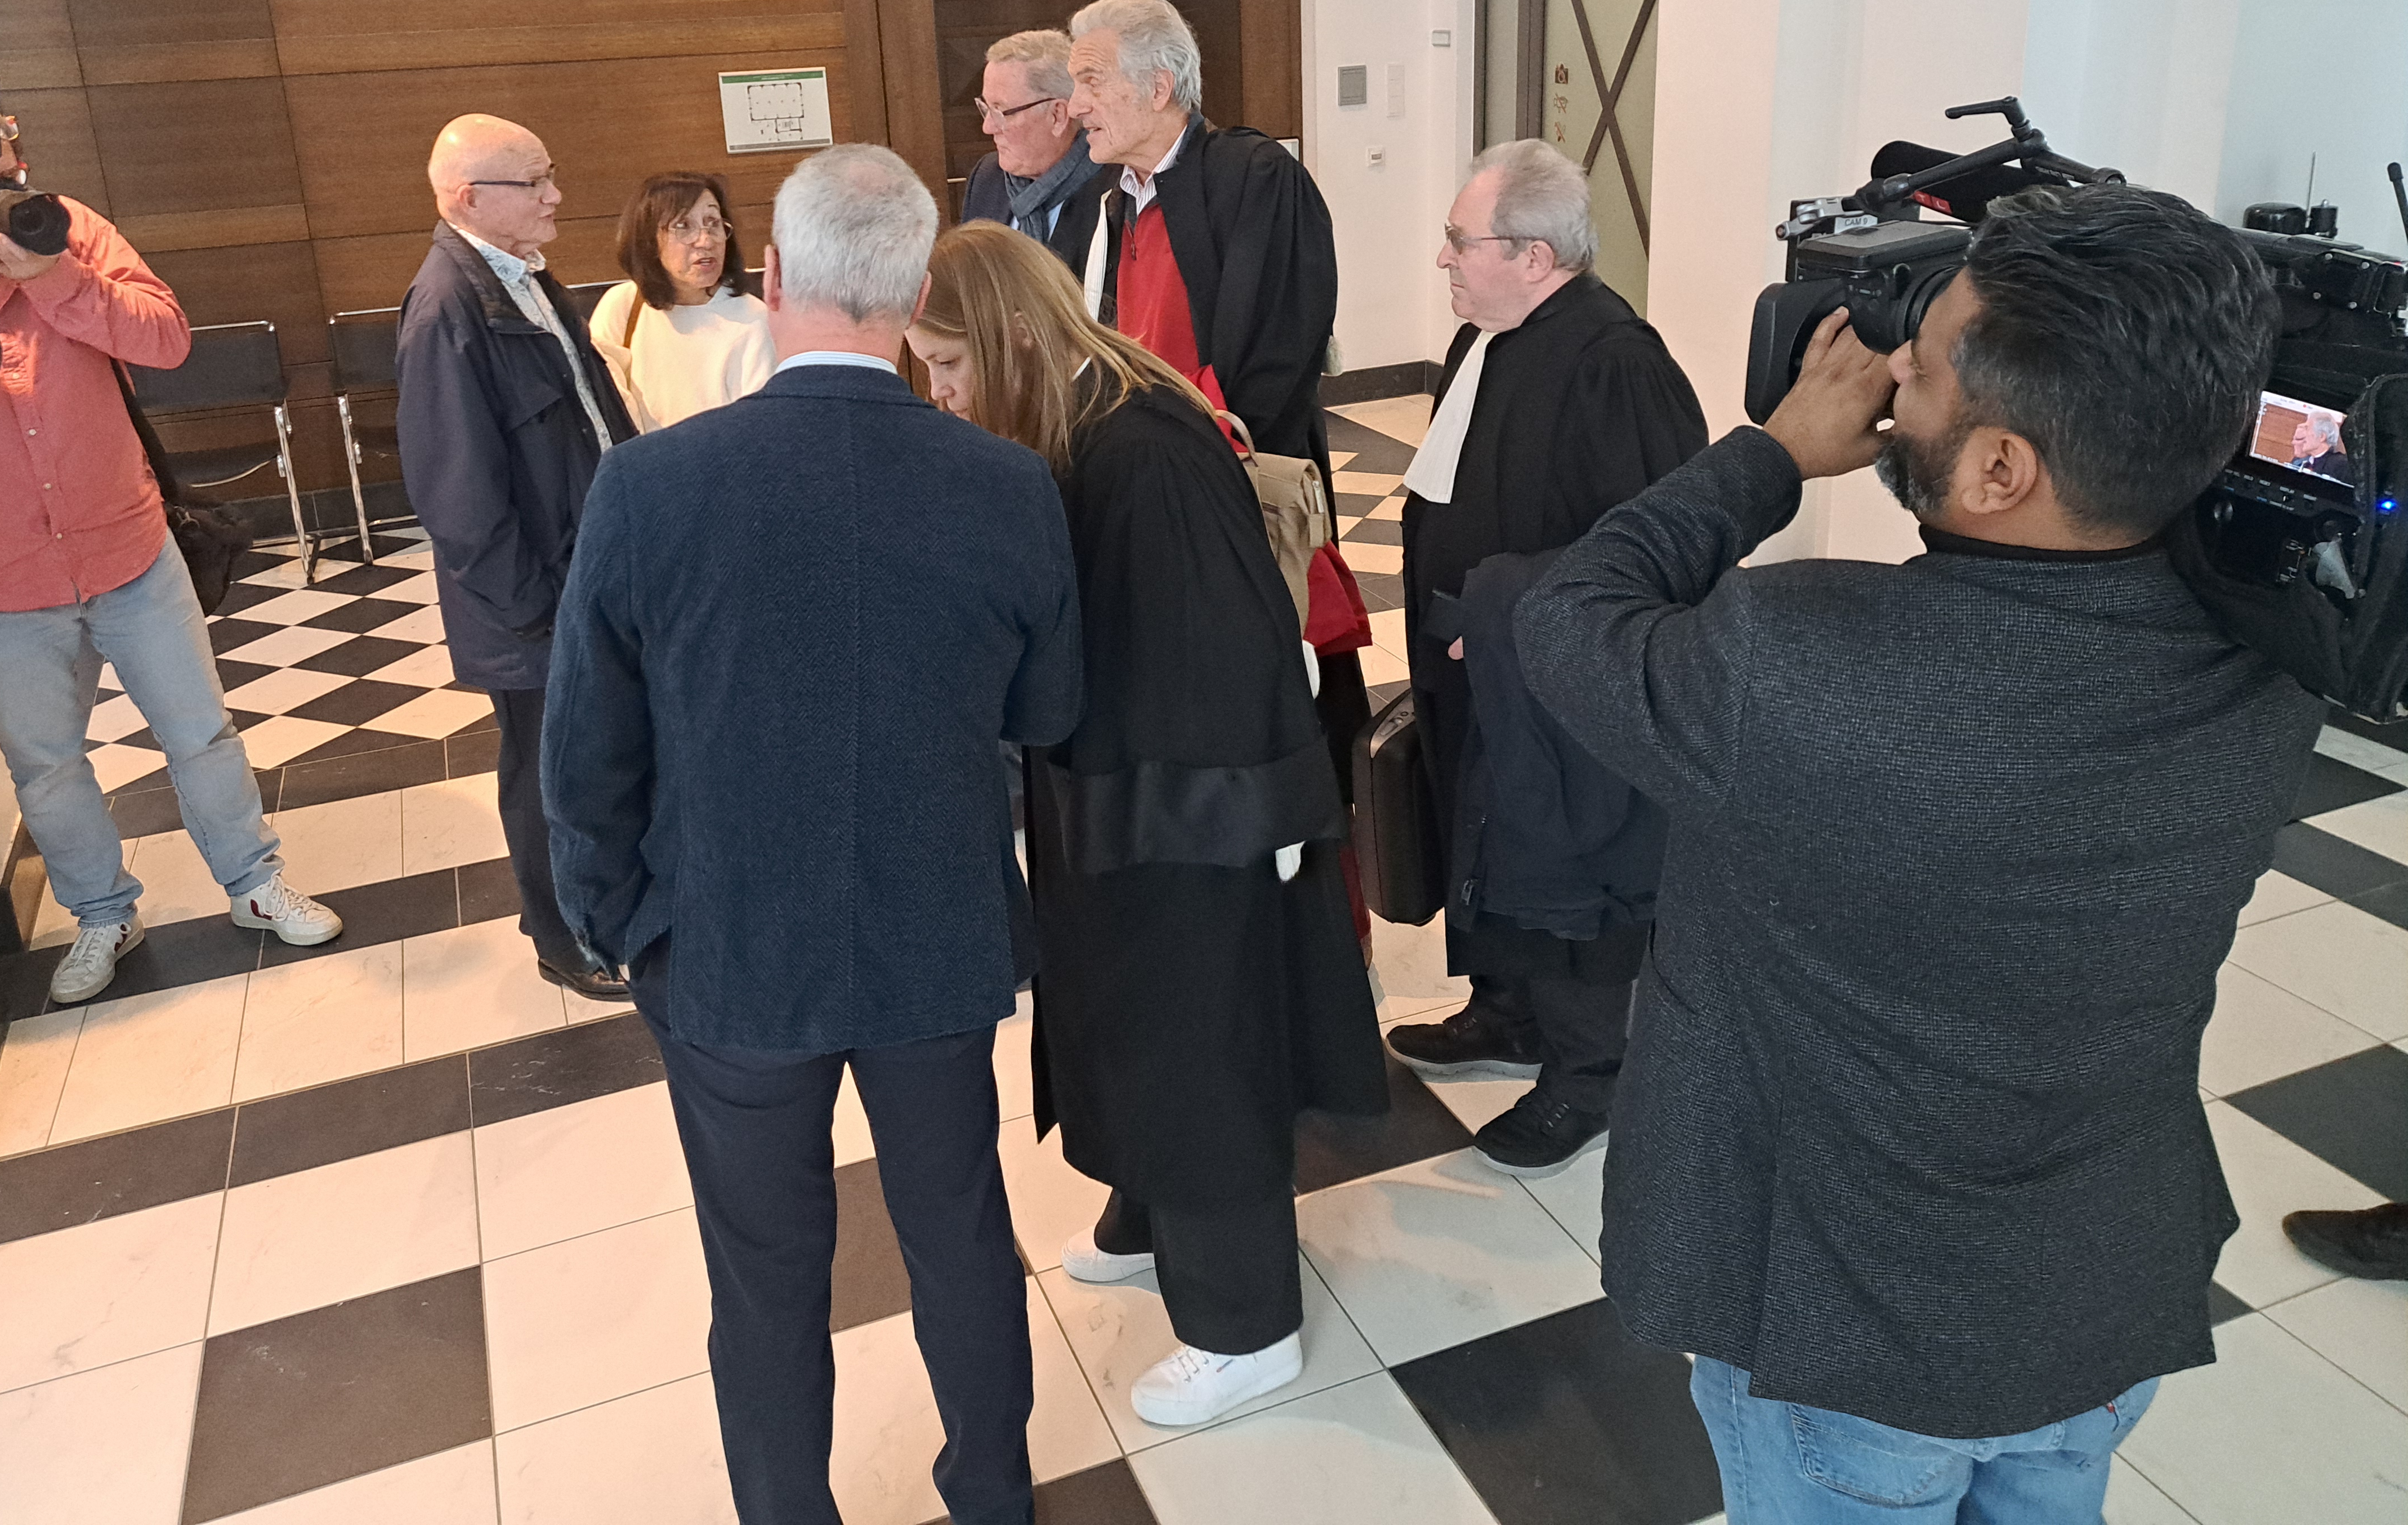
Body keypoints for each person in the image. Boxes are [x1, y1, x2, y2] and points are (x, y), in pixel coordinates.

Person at [1512, 186, 2324, 1522]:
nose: (1889, 369)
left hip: (1845, 1346)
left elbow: (1567, 615)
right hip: (2099, 1305)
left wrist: (1770, 454)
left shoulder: (1790, 665)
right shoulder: (2268, 681)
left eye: (1927, 364)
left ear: (2001, 469)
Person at [543, 148, 1083, 1525]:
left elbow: (586, 753)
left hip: (725, 948)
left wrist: (618, 928)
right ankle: (991, 1495)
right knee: (959, 1232)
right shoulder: (1007, 485)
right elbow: (1049, 710)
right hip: (936, 931)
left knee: (764, 1274)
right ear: (911, 292)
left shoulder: (650, 487)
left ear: (773, 275)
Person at [907, 222, 1386, 1429]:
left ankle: (1242, 1324)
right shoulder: (1086, 417)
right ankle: (1144, 1203)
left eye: (949, 366)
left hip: (1187, 812)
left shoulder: (1141, 448)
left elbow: (1224, 658)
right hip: (1114, 791)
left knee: (1195, 1047)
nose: (941, 393)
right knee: (1118, 1019)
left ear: (1013, 341)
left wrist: (1248, 818)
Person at [0, 91, 339, 1005]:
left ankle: (255, 884)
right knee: (47, 766)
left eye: (3, 153)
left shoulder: (65, 228)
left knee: (200, 732)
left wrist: (55, 275)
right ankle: (103, 915)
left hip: (125, 544)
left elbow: (165, 338)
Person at [1383, 139, 1705, 1174]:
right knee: (1481, 835)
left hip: (1553, 675)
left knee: (1563, 861)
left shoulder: (1617, 361)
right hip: (1472, 657)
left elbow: (1657, 543)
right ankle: (1505, 1011)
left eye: (1459, 239)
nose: (1443, 257)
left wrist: (1509, 614)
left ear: (1533, 255)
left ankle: (1587, 1075)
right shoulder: (1485, 337)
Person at [1065, 0, 1370, 777]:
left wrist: (1196, 467)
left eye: (1091, 82)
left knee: (1270, 678)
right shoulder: (1114, 200)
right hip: (1149, 481)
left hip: (1230, 478)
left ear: (1158, 87)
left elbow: (1274, 354)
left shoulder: (1256, 177)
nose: (1075, 106)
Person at [396, 113, 635, 1001]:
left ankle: (608, 907)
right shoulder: (447, 309)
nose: (555, 196)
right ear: (468, 198)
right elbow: (458, 498)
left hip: (583, 579)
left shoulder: (522, 278)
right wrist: (536, 610)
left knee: (594, 760)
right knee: (548, 773)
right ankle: (562, 937)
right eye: (533, 183)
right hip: (537, 603)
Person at [586, 168, 774, 430]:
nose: (705, 241)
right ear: (649, 240)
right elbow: (601, 404)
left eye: (713, 223)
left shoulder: (753, 319)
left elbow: (760, 428)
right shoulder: (624, 305)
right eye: (684, 226)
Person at [956, 29, 1116, 279]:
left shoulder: (1115, 193)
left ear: (1058, 116)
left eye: (1001, 112)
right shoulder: (988, 178)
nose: (988, 127)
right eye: (986, 108)